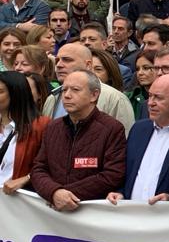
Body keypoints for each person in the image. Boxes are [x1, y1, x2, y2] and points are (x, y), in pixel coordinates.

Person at [30, 71, 127, 211]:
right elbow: (39, 168)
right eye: (64, 90)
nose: (67, 95)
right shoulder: (53, 127)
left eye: (75, 90)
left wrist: (64, 194)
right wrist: (54, 192)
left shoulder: (112, 128)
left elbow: (112, 175)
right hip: (51, 212)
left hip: (91, 214)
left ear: (94, 95)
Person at [108, 75, 169, 205]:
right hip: (131, 216)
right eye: (150, 96)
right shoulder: (139, 129)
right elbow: (128, 172)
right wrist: (120, 192)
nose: (150, 103)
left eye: (158, 97)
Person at [44, 43, 135, 133]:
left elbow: (124, 140)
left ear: (88, 65)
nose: (59, 65)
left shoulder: (115, 98)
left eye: (67, 60)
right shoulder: (52, 98)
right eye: (57, 61)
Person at [0, 72, 50, 195]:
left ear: (15, 94)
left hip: (17, 204)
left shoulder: (42, 126)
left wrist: (27, 178)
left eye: (0, 91)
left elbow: (52, 166)